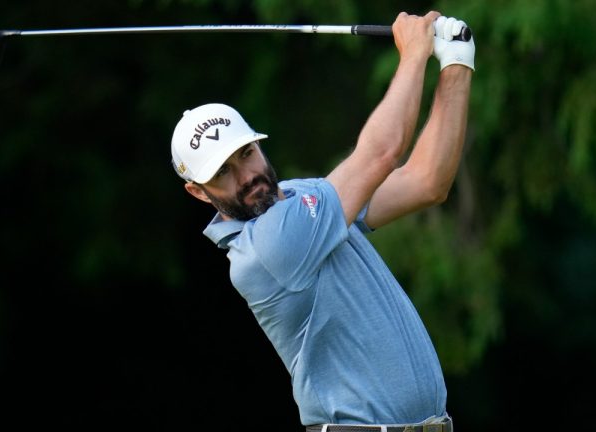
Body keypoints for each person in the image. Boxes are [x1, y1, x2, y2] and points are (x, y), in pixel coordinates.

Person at [170, 9, 474, 432]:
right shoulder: (267, 247)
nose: (247, 177)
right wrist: (414, 53)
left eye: (245, 154)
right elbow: (382, 152)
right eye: (222, 173)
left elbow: (425, 182)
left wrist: (457, 61)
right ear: (198, 192)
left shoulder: (301, 198)